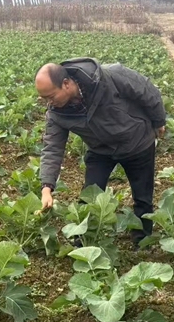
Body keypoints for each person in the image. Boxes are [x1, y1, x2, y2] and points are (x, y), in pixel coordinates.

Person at [35, 58, 166, 245]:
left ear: (66, 84)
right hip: (100, 150)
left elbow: (147, 91)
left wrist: (159, 120)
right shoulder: (57, 113)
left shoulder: (110, 76)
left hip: (137, 143)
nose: (49, 103)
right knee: (90, 196)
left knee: (143, 198)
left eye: (50, 97)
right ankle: (83, 240)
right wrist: (46, 187)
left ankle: (142, 243)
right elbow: (52, 148)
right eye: (44, 99)